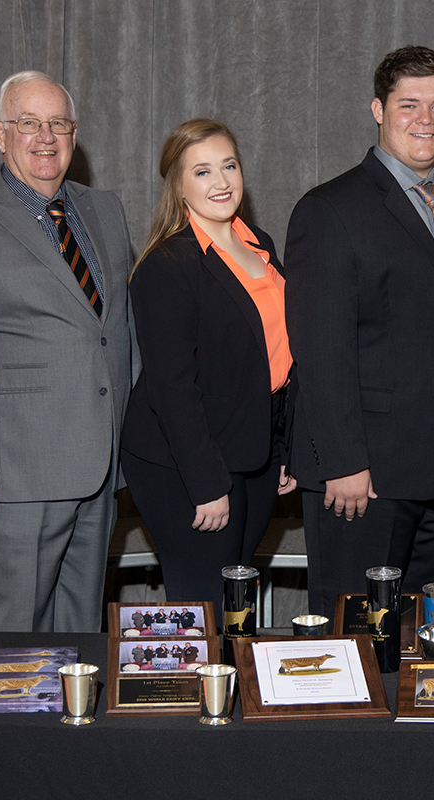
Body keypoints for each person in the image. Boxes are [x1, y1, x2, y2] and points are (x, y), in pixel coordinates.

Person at [285, 46, 434, 616]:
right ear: (378, 109)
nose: (425, 120)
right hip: (368, 478)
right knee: (357, 639)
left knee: (426, 652)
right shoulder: (329, 209)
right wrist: (343, 462)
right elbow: (320, 349)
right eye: (409, 105)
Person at [0, 71, 134, 632]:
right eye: (28, 123)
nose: (45, 136)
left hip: (101, 465)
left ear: (73, 133)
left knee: (81, 628)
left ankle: (72, 721)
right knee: (14, 636)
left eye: (57, 123)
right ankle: (6, 724)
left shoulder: (104, 210)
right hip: (20, 473)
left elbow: (117, 330)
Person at [121, 119, 295, 607]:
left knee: (239, 597)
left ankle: (234, 685)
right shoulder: (166, 265)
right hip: (185, 464)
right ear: (178, 186)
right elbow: (172, 388)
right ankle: (197, 686)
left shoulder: (259, 243)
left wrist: (282, 447)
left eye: (229, 166)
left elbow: (277, 359)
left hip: (254, 451)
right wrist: (206, 484)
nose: (221, 182)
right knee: (205, 605)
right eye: (202, 171)